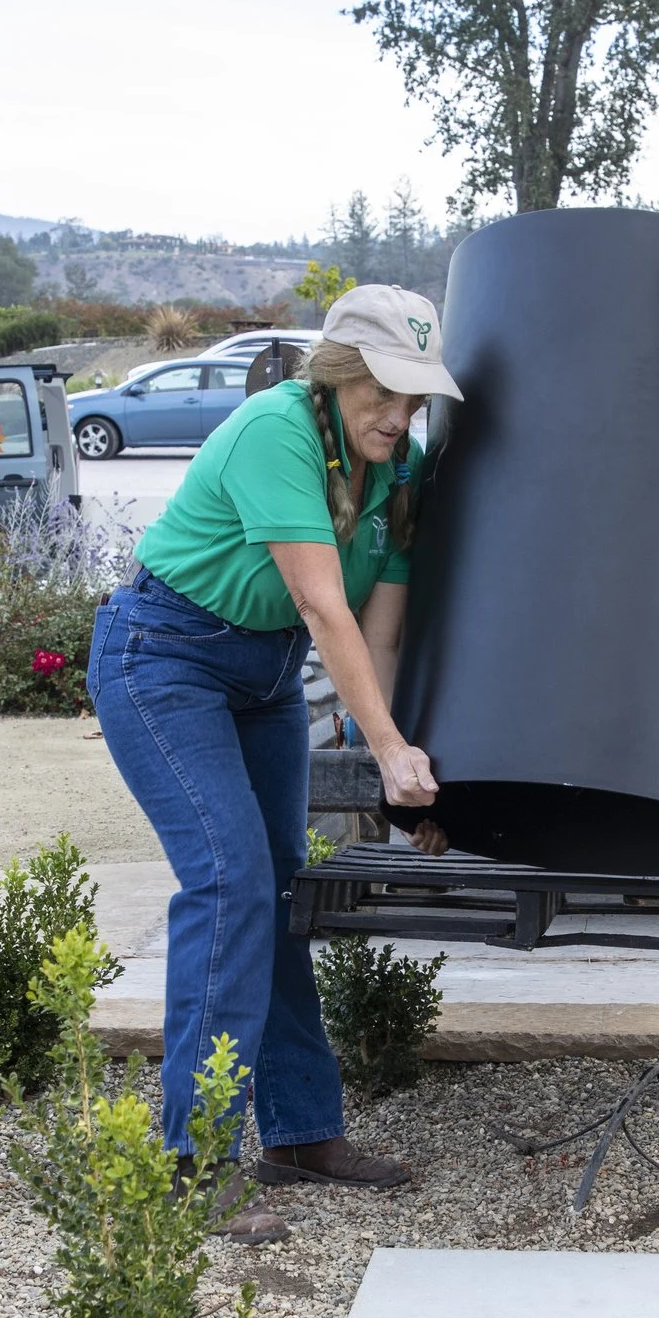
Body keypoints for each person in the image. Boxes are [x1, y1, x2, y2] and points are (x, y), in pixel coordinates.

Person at [88, 285, 460, 1244]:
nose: (400, 415)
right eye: (386, 392)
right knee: (229, 883)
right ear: (339, 375)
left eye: (415, 399)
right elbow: (322, 606)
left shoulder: (398, 470)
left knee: (282, 885)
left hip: (260, 677)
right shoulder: (275, 432)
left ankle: (298, 1133)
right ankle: (194, 1161)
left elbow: (378, 633)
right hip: (163, 659)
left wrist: (396, 760)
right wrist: (384, 745)